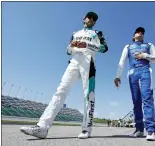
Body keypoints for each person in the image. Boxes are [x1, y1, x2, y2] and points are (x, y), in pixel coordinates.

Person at [20, 11, 108, 139]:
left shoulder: (97, 33)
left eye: (94, 19)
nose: (91, 19)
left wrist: (87, 44)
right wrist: (71, 46)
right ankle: (42, 127)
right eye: (89, 17)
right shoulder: (75, 33)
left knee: (88, 95)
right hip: (74, 61)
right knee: (60, 91)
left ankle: (86, 129)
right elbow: (68, 51)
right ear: (84, 18)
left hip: (88, 62)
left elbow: (104, 48)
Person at [114, 27, 155, 141]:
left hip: (145, 71)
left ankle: (151, 130)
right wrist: (117, 76)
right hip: (132, 73)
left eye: (142, 32)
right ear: (133, 36)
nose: (140, 33)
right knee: (136, 101)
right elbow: (122, 61)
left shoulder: (149, 45)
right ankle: (139, 129)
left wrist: (145, 56)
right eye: (138, 32)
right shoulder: (128, 47)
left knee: (147, 99)